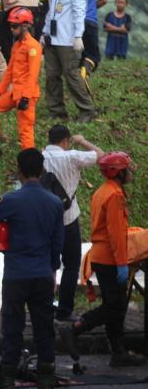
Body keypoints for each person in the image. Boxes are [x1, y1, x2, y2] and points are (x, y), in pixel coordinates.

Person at [0, 149, 64, 389]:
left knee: (12, 327)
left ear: (19, 171)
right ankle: (46, 373)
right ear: (42, 171)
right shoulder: (55, 203)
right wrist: (53, 270)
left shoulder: (11, 200)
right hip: (43, 274)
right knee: (44, 326)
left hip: (16, 275)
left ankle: (8, 376)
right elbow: (57, 244)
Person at [60, 152, 146, 367]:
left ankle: (118, 352)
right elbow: (116, 234)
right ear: (119, 172)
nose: (130, 172)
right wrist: (121, 263)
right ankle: (76, 328)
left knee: (113, 305)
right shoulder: (115, 196)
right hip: (110, 257)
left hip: (99, 254)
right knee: (115, 307)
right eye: (127, 169)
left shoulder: (102, 191)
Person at [42, 125, 104, 321]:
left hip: (45, 222)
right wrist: (83, 141)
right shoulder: (72, 156)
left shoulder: (39, 157)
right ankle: (64, 310)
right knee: (71, 264)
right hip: (69, 219)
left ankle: (43, 309)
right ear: (66, 141)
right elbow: (100, 155)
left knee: (46, 265)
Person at [42, 0, 95, 122]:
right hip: (52, 38)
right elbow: (51, 12)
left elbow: (79, 13)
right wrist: (45, 32)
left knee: (71, 75)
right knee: (52, 75)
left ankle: (87, 110)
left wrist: (78, 36)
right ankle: (57, 111)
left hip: (68, 39)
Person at [0, 7, 42, 157]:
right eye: (10, 26)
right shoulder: (16, 45)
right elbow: (9, 71)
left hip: (26, 95)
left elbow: (33, 75)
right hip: (14, 92)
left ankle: (29, 161)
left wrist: (26, 97)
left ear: (25, 25)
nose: (11, 29)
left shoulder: (33, 46)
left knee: (25, 129)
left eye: (15, 26)